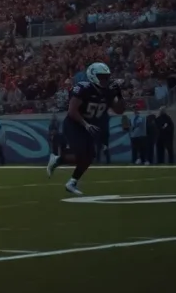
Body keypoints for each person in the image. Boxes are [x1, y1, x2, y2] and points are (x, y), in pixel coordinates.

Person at [47, 63, 125, 195]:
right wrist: (85, 124)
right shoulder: (83, 88)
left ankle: (71, 181)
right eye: (102, 77)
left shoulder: (108, 91)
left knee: (89, 157)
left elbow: (119, 110)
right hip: (74, 124)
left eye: (106, 77)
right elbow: (72, 111)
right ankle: (58, 162)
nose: (105, 80)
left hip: (90, 126)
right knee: (81, 153)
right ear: (93, 76)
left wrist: (119, 95)